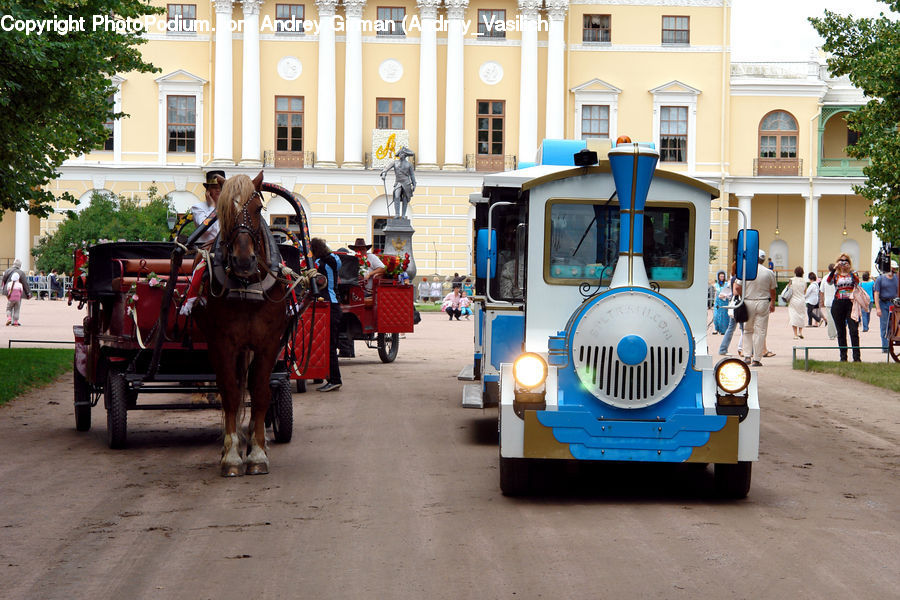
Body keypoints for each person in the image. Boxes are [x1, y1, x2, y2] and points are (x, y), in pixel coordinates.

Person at [310, 237, 343, 392]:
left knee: (328, 345)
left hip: (328, 305)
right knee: (330, 344)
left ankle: (335, 379)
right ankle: (328, 377)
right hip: (335, 305)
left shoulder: (318, 263)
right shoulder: (334, 259)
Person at [734, 250, 776, 366]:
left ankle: (747, 356)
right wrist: (772, 303)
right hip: (763, 302)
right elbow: (772, 290)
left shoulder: (746, 271)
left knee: (747, 330)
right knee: (760, 331)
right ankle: (757, 359)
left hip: (748, 301)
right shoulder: (769, 272)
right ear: (763, 259)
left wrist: (743, 297)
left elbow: (737, 287)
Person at [825, 253, 861, 362]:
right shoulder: (836, 274)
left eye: (846, 261)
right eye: (841, 260)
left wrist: (849, 271)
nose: (843, 263)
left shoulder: (853, 273)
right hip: (838, 303)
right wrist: (834, 269)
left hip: (851, 303)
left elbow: (857, 282)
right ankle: (843, 357)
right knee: (841, 332)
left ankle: (857, 358)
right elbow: (828, 281)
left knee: (853, 331)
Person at [379, 146, 416, 219]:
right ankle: (397, 214)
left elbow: (412, 175)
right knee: (396, 196)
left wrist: (414, 184)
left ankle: (403, 215)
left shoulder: (409, 164)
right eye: (400, 153)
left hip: (406, 183)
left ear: (405, 155)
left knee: (405, 199)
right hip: (398, 182)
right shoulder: (395, 163)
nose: (400, 155)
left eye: (402, 154)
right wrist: (384, 174)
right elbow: (386, 168)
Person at [191, 170, 225, 246]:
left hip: (224, 251)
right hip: (205, 251)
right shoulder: (198, 208)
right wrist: (212, 206)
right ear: (208, 191)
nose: (218, 190)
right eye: (214, 187)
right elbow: (207, 229)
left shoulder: (229, 208)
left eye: (220, 187)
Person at [873, 259, 898, 354]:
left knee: (894, 326)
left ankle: (891, 345)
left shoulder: (897, 278)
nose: (894, 270)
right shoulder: (880, 279)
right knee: (884, 325)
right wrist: (878, 308)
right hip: (883, 304)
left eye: (895, 269)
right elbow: (876, 293)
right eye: (893, 268)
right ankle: (885, 346)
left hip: (894, 304)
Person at [787, 266, 808, 340]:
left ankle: (795, 334)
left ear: (795, 272)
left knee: (794, 316)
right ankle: (800, 332)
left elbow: (788, 289)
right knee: (801, 316)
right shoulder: (804, 281)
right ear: (802, 273)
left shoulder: (791, 280)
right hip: (801, 300)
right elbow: (804, 292)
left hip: (793, 300)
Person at [712, 270, 730, 334]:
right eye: (720, 276)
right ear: (718, 277)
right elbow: (716, 293)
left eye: (723, 276)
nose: (722, 277)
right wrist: (714, 302)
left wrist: (724, 296)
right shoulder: (716, 285)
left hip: (724, 301)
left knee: (724, 316)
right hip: (717, 302)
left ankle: (723, 330)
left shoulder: (727, 284)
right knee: (716, 315)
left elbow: (729, 293)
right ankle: (716, 329)